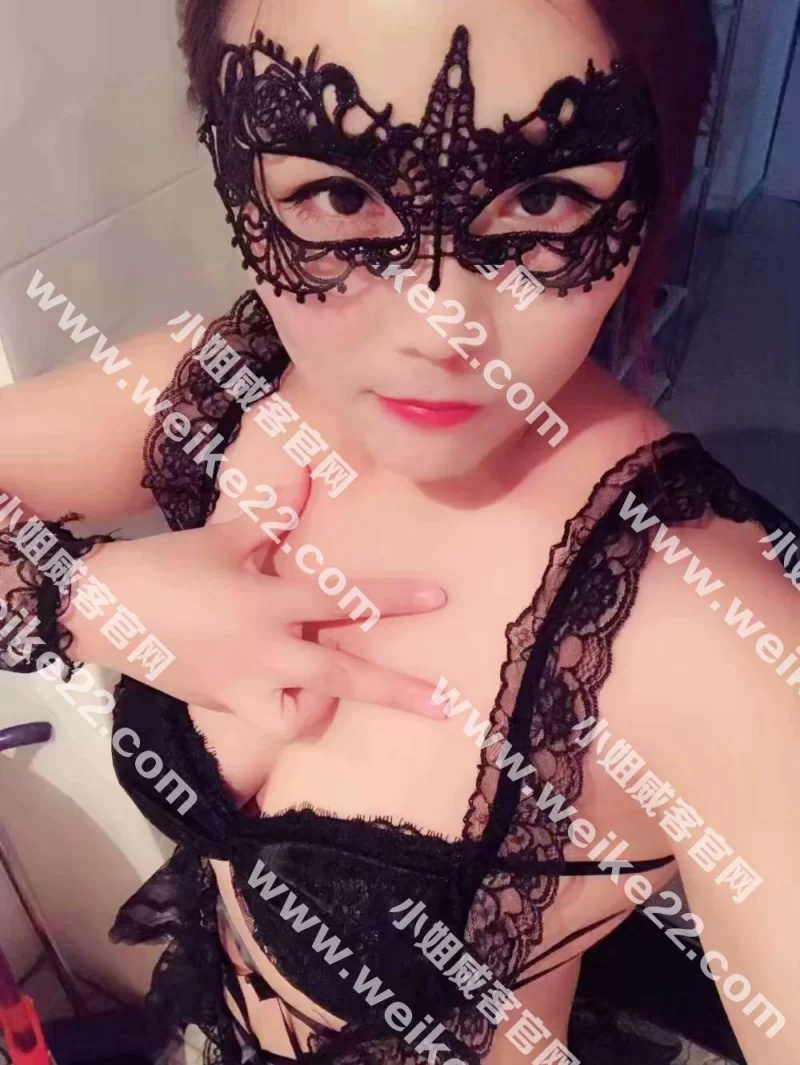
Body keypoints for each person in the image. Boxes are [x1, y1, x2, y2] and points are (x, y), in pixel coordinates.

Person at [1, 1, 797, 1062]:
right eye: (340, 195)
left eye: (542, 198)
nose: (437, 328)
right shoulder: (230, 393)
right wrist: (85, 599)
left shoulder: (717, 637)